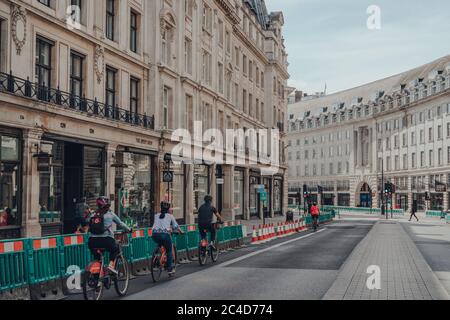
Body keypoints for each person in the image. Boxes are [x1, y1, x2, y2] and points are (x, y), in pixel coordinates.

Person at [87, 196, 131, 275]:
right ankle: (111, 265)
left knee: (97, 257)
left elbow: (88, 224)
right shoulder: (110, 214)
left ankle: (97, 276)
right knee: (115, 249)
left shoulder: (93, 214)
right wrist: (129, 229)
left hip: (92, 241)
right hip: (106, 240)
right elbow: (120, 223)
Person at [152, 201, 184, 275]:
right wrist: (181, 231)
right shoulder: (170, 216)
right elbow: (175, 226)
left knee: (160, 243)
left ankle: (156, 257)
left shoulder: (156, 215)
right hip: (165, 235)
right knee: (169, 251)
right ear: (168, 209)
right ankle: (169, 268)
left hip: (154, 234)